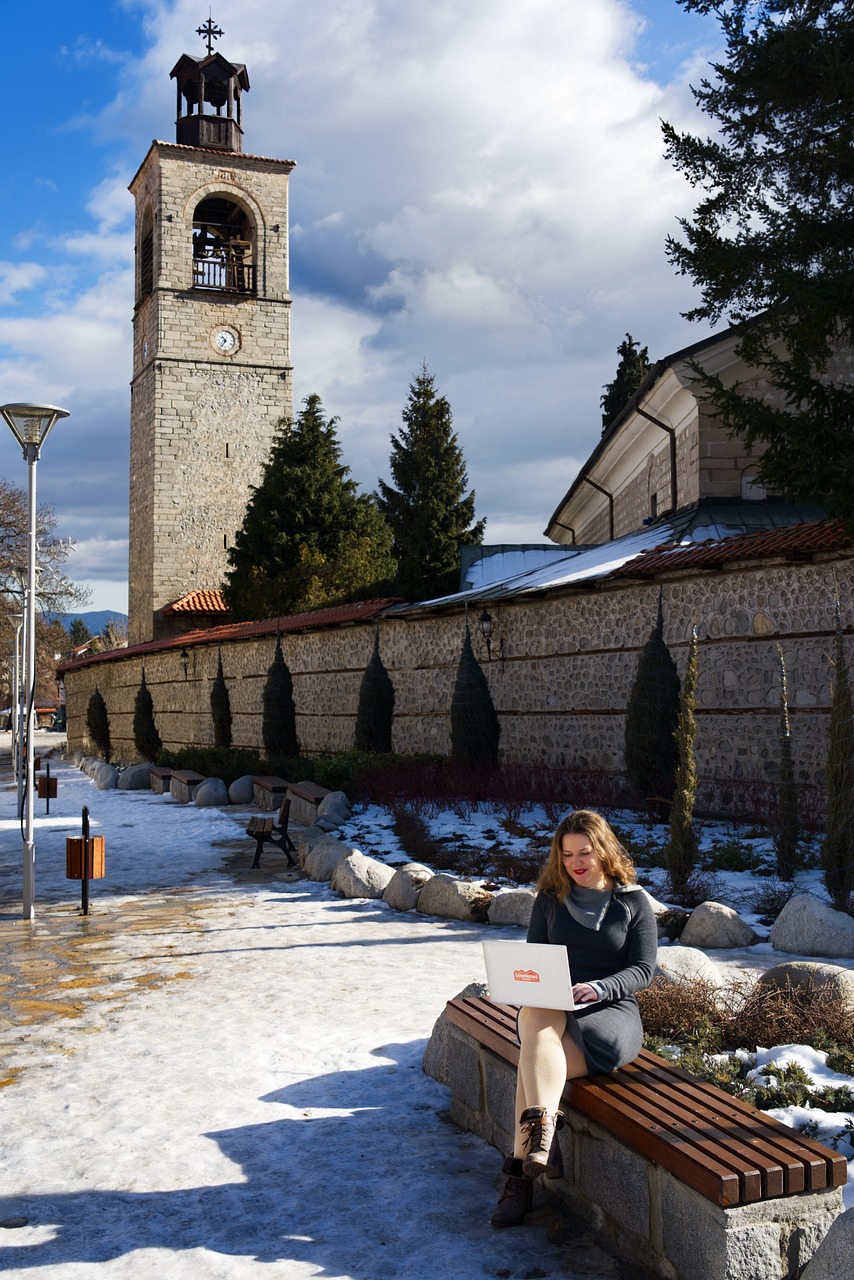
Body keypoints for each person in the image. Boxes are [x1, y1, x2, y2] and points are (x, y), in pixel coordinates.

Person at [491, 808, 657, 1228]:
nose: (576, 863)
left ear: (604, 850)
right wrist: (519, 985)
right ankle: (542, 1139)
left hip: (610, 1012)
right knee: (535, 1019)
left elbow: (644, 970)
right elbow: (534, 960)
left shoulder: (634, 903)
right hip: (553, 1002)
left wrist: (601, 987)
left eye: (584, 852)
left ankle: (520, 1175)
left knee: (534, 1063)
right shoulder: (549, 901)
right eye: (566, 855)